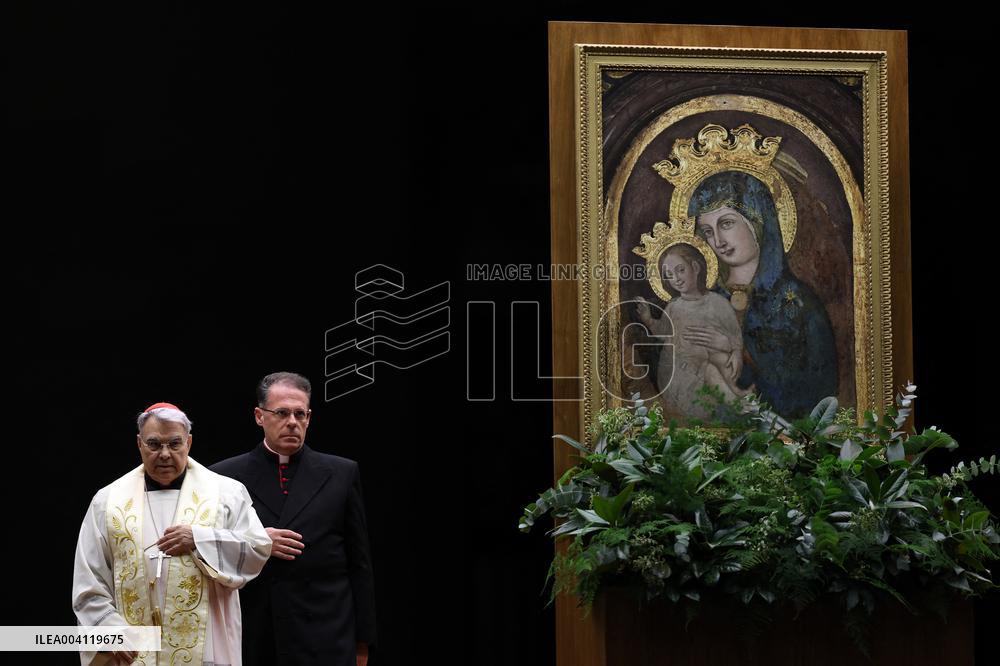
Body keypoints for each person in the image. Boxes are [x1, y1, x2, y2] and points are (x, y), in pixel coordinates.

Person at [72, 402, 272, 666]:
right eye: (154, 444)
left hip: (206, 650)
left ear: (188, 443)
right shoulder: (108, 501)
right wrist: (112, 633)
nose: (164, 454)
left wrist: (199, 540)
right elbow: (89, 581)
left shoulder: (226, 493)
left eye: (174, 444)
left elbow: (258, 548)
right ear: (139, 444)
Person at [211, 372, 376, 666]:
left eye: (300, 414)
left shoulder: (341, 473)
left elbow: (359, 563)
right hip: (256, 629)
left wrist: (363, 640)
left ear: (309, 417)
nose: (292, 422)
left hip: (326, 632)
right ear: (259, 416)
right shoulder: (224, 476)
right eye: (282, 413)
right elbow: (212, 553)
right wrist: (258, 543)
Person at [688, 170, 838, 418]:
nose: (718, 241)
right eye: (707, 231)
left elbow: (816, 385)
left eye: (726, 224)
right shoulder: (704, 298)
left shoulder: (797, 302)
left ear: (757, 221)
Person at [638, 243, 746, 417]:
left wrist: (736, 352)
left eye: (681, 270)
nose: (676, 279)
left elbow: (734, 334)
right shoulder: (674, 307)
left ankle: (734, 394)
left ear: (695, 267)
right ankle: (735, 402)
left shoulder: (718, 303)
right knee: (709, 368)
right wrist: (649, 320)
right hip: (680, 373)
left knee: (719, 359)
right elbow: (664, 332)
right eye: (670, 275)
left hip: (711, 368)